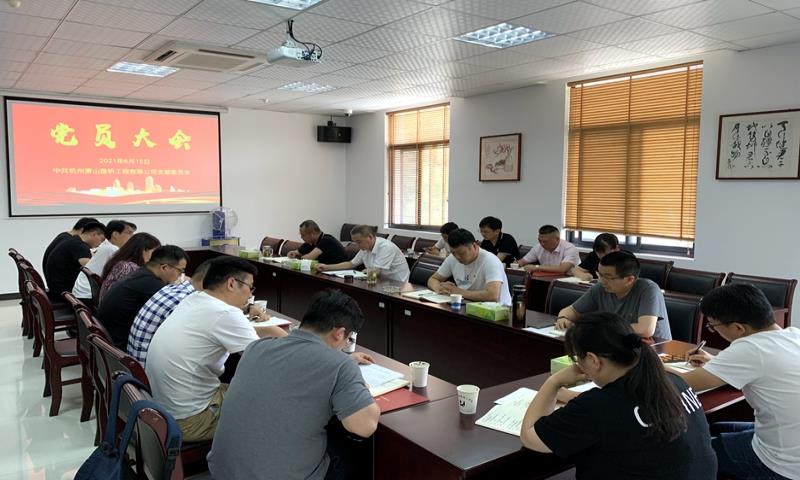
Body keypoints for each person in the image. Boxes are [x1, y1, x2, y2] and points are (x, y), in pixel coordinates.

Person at [520, 312, 716, 479]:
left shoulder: (599, 405)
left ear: (593, 359)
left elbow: (530, 437)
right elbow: (623, 411)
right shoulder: (674, 381)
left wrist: (553, 382)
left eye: (577, 358)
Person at [208, 289, 379, 480]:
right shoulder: (341, 365)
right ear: (339, 334)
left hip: (221, 472)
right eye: (348, 340)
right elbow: (364, 426)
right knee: (351, 455)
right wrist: (359, 384)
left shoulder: (256, 347)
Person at [146, 257, 288, 442]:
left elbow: (236, 331)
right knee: (277, 399)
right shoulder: (226, 313)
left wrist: (272, 331)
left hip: (165, 410)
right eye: (250, 287)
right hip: (192, 420)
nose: (249, 296)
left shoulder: (195, 299)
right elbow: (266, 362)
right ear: (231, 283)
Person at [678, 284, 800, 480]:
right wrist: (718, 364)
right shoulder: (794, 334)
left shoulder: (750, 348)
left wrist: (655, 365)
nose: (713, 331)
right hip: (791, 443)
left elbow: (680, 382)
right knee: (716, 427)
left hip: (782, 464)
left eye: (713, 326)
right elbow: (763, 367)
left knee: (693, 454)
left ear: (738, 327)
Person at [555, 251, 671, 342]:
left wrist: (602, 329)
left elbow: (645, 329)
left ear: (630, 280)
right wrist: (563, 318)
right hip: (618, 342)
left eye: (607, 277)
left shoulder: (648, 289)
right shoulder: (600, 288)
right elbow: (570, 311)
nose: (601, 280)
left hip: (654, 349)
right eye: (600, 275)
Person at [96, 245, 188, 350]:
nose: (180, 276)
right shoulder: (152, 285)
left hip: (108, 340)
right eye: (180, 271)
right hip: (119, 347)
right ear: (164, 267)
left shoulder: (141, 274)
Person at [127, 259, 212, 368]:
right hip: (145, 369)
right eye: (180, 271)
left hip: (133, 361)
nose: (181, 275)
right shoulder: (187, 299)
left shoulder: (176, 287)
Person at [427, 228, 512, 305]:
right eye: (453, 253)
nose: (457, 257)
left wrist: (459, 292)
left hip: (498, 311)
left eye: (462, 253)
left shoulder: (490, 260)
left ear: (474, 246)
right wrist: (440, 288)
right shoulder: (452, 258)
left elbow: (493, 295)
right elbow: (433, 279)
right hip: (468, 305)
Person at [317, 225, 409, 283]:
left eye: (359, 241)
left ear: (370, 237)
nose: (357, 245)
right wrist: (327, 267)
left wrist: (366, 271)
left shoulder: (386, 247)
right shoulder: (365, 247)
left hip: (398, 285)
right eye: (355, 242)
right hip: (381, 282)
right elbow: (351, 264)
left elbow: (375, 271)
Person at [72, 220, 136, 301]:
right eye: (129, 233)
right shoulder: (112, 249)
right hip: (89, 295)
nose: (133, 236)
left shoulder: (105, 246)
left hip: (82, 292)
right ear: (115, 234)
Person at [44, 220, 105, 303]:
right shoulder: (80, 246)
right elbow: (91, 270)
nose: (100, 244)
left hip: (56, 288)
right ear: (94, 234)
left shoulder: (73, 241)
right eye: (102, 240)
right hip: (65, 293)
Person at [99, 232, 161, 300]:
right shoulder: (128, 267)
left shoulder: (122, 263)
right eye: (154, 252)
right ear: (143, 250)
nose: (156, 257)